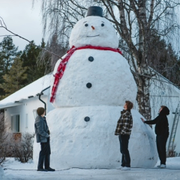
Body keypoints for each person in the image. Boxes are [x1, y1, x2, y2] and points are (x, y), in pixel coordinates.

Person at [34, 107, 55, 171]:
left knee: (47, 152)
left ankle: (47, 166)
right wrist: (46, 135)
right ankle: (40, 167)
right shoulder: (39, 120)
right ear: (42, 112)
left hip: (46, 138)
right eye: (44, 111)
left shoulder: (42, 118)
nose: (45, 112)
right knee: (43, 152)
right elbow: (40, 131)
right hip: (43, 139)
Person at [115, 100, 133, 170]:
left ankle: (127, 164)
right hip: (122, 133)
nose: (124, 105)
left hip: (124, 134)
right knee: (123, 149)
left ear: (127, 106)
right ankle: (123, 164)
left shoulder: (127, 114)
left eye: (125, 104)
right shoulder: (124, 113)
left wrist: (122, 132)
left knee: (124, 149)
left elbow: (126, 125)